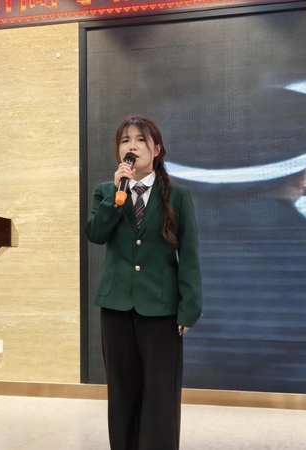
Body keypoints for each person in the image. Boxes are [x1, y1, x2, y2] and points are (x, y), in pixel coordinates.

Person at [85, 115, 203, 450]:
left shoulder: (177, 196)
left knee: (161, 392)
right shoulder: (107, 192)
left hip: (162, 309)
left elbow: (189, 255)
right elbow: (96, 234)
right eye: (125, 140)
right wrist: (116, 195)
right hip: (116, 307)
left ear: (157, 149)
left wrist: (190, 307)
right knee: (122, 391)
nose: (132, 146)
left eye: (140, 139)